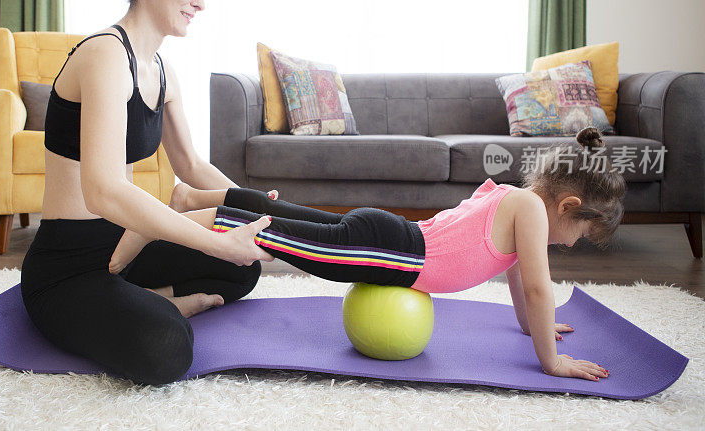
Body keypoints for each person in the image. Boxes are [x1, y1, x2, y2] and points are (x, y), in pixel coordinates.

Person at [109, 127, 625, 382]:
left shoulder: (519, 201)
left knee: (293, 219)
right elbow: (538, 286)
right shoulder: (532, 212)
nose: (574, 243)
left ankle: (191, 197)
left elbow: (521, 285)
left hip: (387, 235)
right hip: (391, 253)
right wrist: (551, 361)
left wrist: (537, 324)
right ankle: (159, 224)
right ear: (569, 205)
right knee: (270, 236)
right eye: (581, 232)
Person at [20, 0, 275, 386]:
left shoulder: (161, 69)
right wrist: (217, 243)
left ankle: (147, 295)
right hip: (68, 268)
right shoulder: (104, 55)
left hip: (123, 248)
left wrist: (251, 208)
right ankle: (165, 305)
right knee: (166, 348)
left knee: (243, 271)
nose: (201, 0)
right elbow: (105, 191)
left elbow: (193, 165)